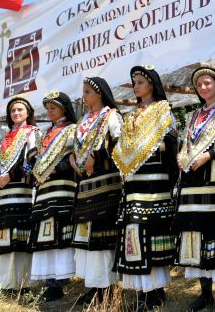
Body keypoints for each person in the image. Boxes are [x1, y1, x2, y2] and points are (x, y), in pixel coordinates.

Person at [175, 66, 215, 312]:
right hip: (193, 183)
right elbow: (185, 143)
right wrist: (181, 158)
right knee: (196, 231)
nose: (203, 88)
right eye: (199, 84)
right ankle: (205, 293)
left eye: (208, 83)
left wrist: (210, 155)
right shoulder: (193, 116)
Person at [113, 66, 178, 312]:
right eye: (134, 82)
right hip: (132, 183)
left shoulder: (163, 110)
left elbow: (171, 146)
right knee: (133, 231)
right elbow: (124, 146)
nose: (136, 86)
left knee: (152, 233)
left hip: (155, 182)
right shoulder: (131, 116)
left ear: (151, 84)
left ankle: (155, 291)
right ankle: (141, 289)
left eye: (140, 81)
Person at [71, 76, 123, 305]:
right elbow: (77, 147)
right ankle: (93, 285)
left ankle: (107, 287)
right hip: (86, 183)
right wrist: (74, 158)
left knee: (102, 236)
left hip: (106, 182)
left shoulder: (112, 116)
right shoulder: (83, 120)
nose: (84, 96)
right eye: (83, 92)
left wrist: (98, 156)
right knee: (87, 236)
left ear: (99, 93)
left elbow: (121, 145)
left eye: (87, 92)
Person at [0, 95, 39, 293]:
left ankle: (20, 282)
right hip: (2, 192)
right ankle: (2, 282)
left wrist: (11, 175)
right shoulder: (4, 137)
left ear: (28, 113)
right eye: (12, 111)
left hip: (21, 191)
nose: (16, 113)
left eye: (19, 110)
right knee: (3, 232)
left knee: (18, 235)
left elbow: (33, 163)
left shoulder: (32, 133)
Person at [30, 90, 79, 302]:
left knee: (59, 231)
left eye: (54, 108)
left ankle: (59, 281)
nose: (49, 112)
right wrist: (37, 173)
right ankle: (49, 280)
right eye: (48, 108)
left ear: (64, 108)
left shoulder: (72, 130)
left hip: (62, 186)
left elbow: (72, 159)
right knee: (45, 232)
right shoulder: (45, 133)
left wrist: (52, 171)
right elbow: (36, 160)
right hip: (44, 188)